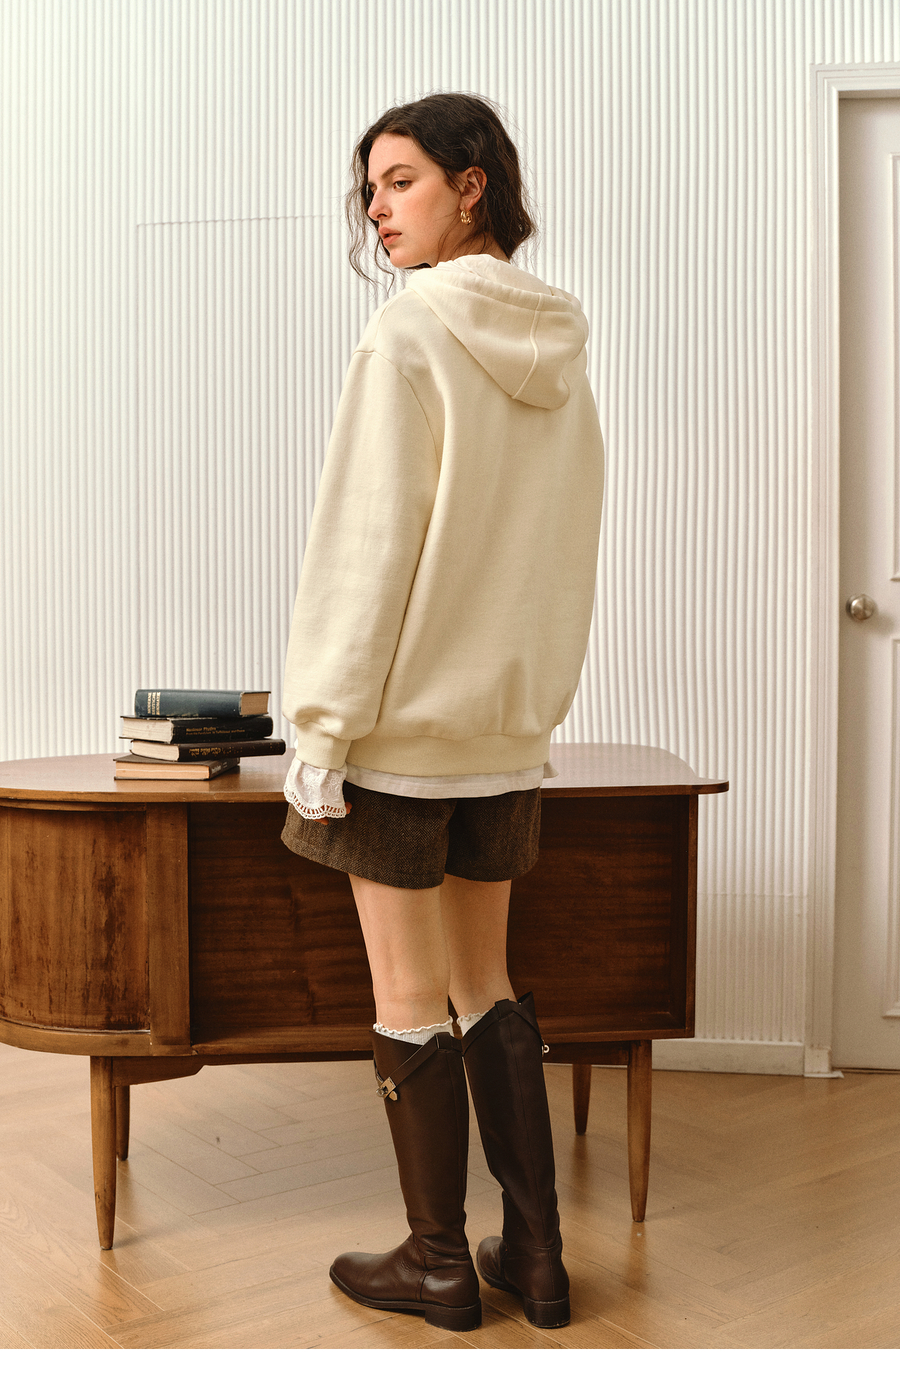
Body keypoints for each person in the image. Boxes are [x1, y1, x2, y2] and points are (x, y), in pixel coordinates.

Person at [281, 92, 604, 1333]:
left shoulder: (408, 332)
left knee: (411, 991)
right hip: (506, 737)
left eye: (401, 180)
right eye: (370, 187)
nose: (378, 207)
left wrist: (322, 726)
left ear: (473, 185)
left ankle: (435, 1262)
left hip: (406, 738)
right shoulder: (563, 347)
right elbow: (564, 548)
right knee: (489, 985)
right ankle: (537, 1256)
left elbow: (365, 547)